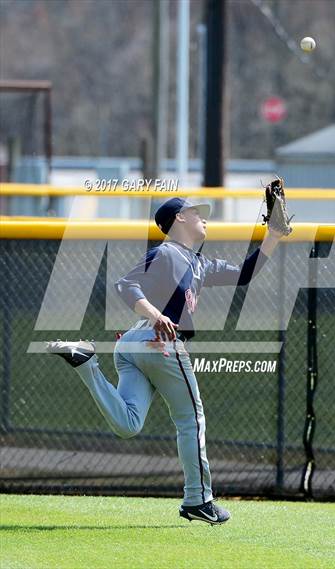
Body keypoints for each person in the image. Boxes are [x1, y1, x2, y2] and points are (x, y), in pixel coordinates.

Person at [46, 197, 284, 525]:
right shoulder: (166, 252)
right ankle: (198, 499)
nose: (203, 217)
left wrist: (272, 234)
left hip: (134, 343)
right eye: (196, 212)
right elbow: (125, 284)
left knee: (129, 424)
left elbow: (246, 274)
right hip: (158, 342)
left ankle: (87, 364)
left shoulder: (199, 263)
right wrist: (156, 315)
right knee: (192, 419)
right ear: (179, 219)